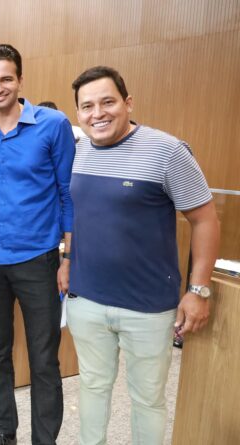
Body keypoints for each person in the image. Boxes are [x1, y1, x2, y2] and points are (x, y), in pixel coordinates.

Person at [67, 65, 220, 445]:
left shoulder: (167, 151)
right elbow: (76, 214)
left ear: (128, 102)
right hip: (86, 300)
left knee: (148, 400)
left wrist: (198, 289)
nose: (97, 113)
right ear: (78, 113)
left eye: (107, 102)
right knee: (92, 388)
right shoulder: (77, 151)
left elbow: (204, 220)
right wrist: (67, 259)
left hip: (148, 307)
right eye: (87, 106)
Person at [0, 44, 74, 445]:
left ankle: (44, 440)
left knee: (44, 360)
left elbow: (69, 195)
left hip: (40, 261)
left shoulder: (54, 125)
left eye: (5, 78)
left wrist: (69, 258)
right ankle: (5, 432)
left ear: (20, 79)